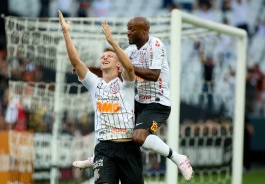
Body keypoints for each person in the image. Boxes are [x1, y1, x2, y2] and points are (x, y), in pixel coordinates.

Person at [74, 16, 193, 181]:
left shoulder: (156, 45)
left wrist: (129, 68)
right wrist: (86, 70)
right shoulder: (129, 52)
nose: (127, 32)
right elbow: (117, 71)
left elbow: (153, 75)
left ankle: (178, 158)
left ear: (144, 31)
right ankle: (96, 157)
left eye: (131, 29)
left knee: (137, 137)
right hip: (139, 102)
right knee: (109, 117)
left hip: (157, 104)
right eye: (128, 28)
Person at [59, 11, 144, 184]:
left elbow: (130, 69)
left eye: (110, 56)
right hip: (104, 148)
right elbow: (76, 61)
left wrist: (112, 42)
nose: (105, 57)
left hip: (128, 146)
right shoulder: (94, 84)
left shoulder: (126, 83)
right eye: (103, 56)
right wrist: (66, 32)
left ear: (118, 63)